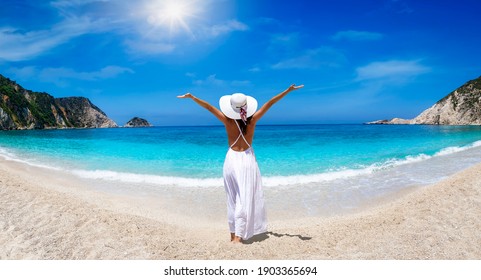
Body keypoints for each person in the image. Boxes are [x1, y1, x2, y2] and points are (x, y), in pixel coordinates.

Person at [177, 84, 304, 243]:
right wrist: (287, 91)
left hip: (231, 160)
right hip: (247, 161)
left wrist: (192, 97)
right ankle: (238, 236)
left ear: (231, 108)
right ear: (246, 107)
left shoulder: (227, 120)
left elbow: (209, 107)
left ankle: (233, 234)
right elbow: (270, 103)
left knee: (232, 198)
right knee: (244, 199)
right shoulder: (253, 120)